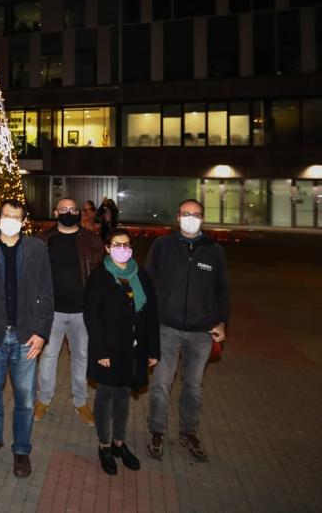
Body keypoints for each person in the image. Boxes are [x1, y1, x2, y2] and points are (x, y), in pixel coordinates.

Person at [0, 198, 54, 479]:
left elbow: (46, 293)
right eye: (6, 215)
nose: (11, 220)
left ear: (24, 220)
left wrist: (42, 332)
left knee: (26, 399)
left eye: (16, 216)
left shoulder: (37, 249)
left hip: (26, 336)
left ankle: (22, 450)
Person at [145, 198, 230, 462]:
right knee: (160, 384)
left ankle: (188, 431)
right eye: (185, 213)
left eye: (195, 214)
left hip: (200, 332)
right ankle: (157, 431)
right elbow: (148, 282)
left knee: (193, 386)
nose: (190, 218)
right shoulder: (163, 246)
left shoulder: (213, 250)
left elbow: (222, 290)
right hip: (166, 328)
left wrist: (221, 321)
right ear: (177, 217)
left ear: (203, 218)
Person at [84, 229, 160, 475]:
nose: (122, 248)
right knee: (106, 395)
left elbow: (151, 315)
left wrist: (152, 349)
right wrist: (100, 351)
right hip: (108, 349)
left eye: (126, 244)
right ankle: (104, 445)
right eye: (117, 244)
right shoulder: (99, 277)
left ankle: (119, 443)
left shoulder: (142, 276)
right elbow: (92, 318)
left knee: (124, 395)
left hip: (134, 350)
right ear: (107, 247)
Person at [34, 197, 104, 426]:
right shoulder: (44, 238)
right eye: (63, 209)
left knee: (81, 357)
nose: (68, 212)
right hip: (51, 312)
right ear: (56, 212)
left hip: (82, 312)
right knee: (48, 356)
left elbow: (100, 274)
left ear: (79, 213)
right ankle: (43, 399)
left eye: (73, 209)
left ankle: (81, 401)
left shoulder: (91, 240)